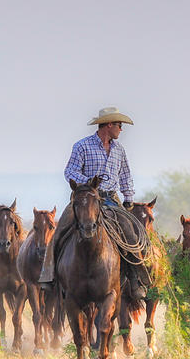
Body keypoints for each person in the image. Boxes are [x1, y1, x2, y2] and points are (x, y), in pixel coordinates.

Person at [39, 106, 150, 300]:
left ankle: (135, 279)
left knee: (130, 232)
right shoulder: (82, 146)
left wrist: (129, 198)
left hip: (111, 199)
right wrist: (89, 185)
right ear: (108, 125)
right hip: (84, 198)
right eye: (118, 125)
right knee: (60, 230)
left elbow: (125, 175)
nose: (121, 129)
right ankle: (48, 276)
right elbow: (70, 171)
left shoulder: (119, 150)